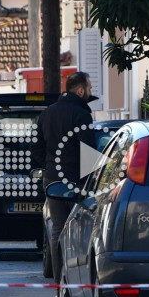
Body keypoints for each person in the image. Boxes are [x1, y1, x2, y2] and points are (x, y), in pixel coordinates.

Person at [31, 71, 95, 281]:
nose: (90, 92)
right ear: (80, 90)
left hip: (52, 180)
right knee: (80, 230)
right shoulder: (82, 115)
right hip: (77, 180)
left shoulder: (47, 113)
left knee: (58, 229)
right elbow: (89, 152)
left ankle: (61, 283)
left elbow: (36, 149)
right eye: (90, 88)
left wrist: (49, 167)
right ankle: (78, 279)